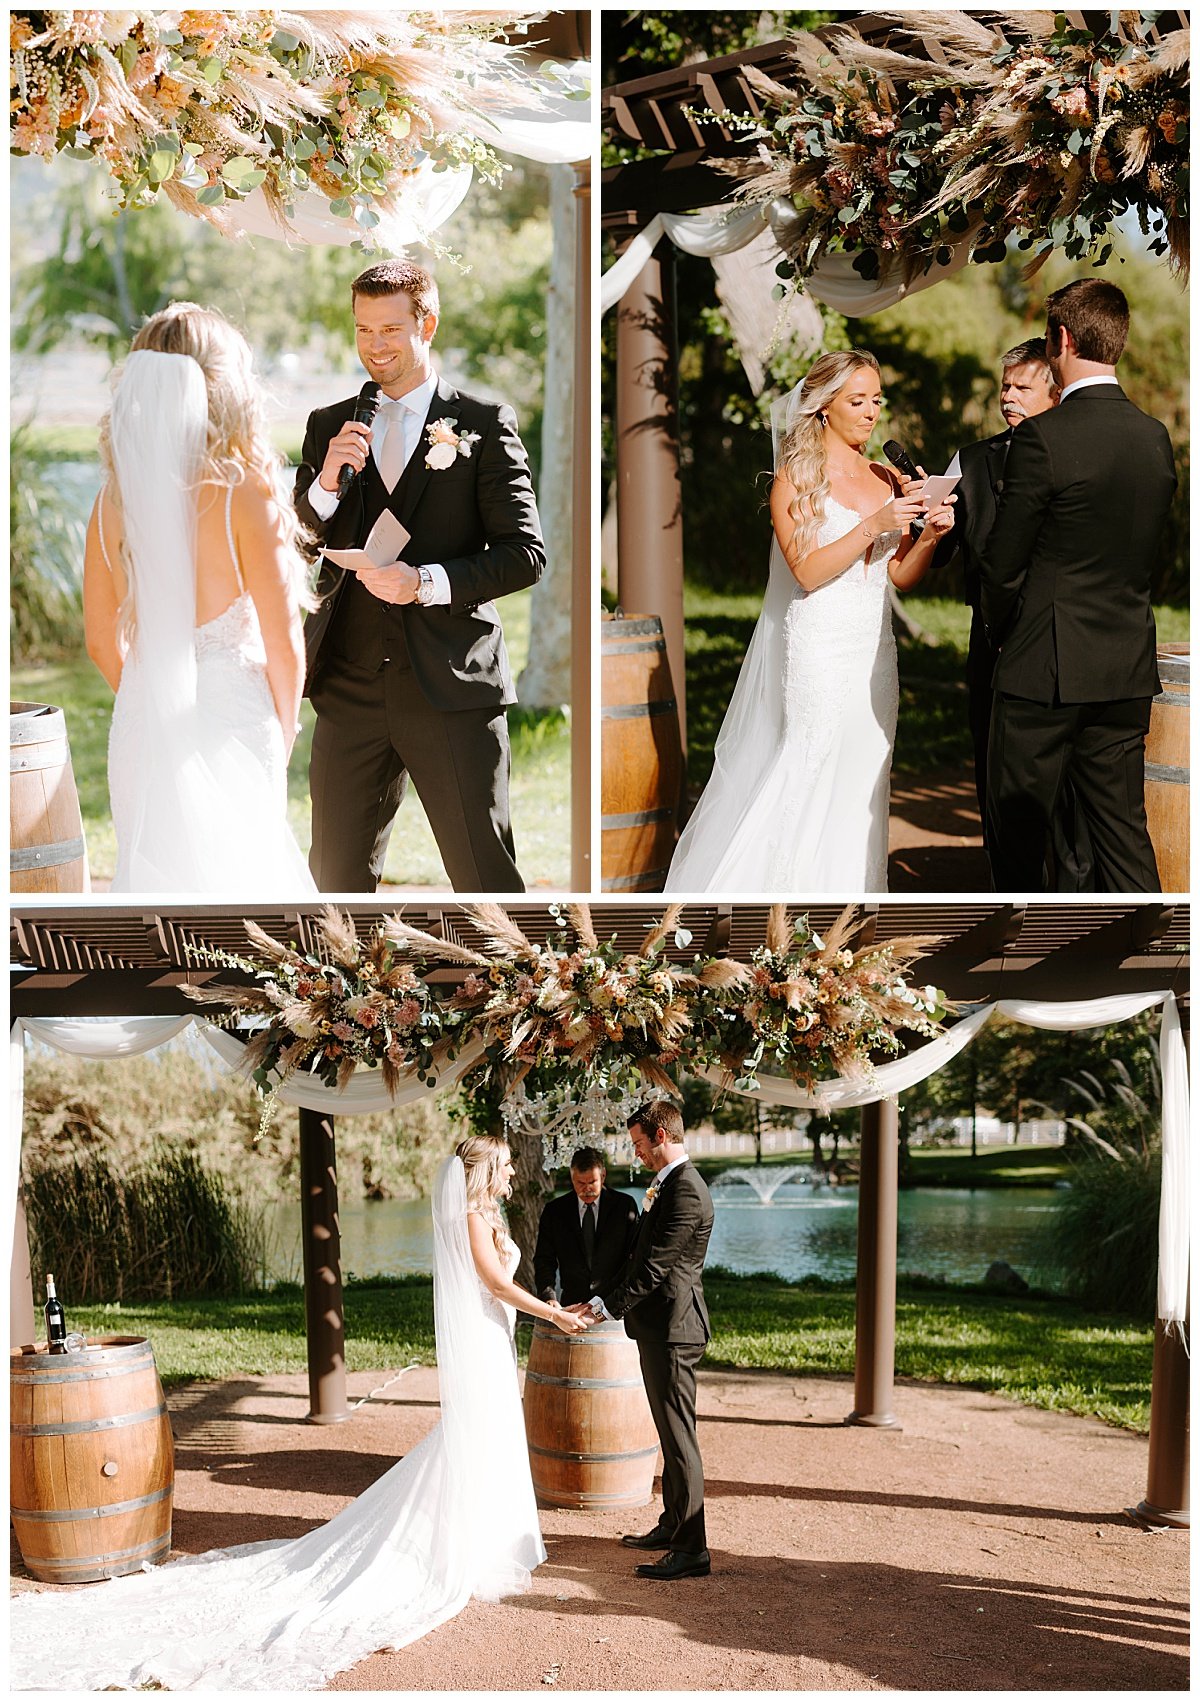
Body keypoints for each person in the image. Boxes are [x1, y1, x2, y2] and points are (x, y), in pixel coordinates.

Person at [9, 1136, 587, 1691]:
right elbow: (493, 1282)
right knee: (475, 1441)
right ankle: (465, 1549)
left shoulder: (487, 1217)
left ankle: (479, 1538)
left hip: (491, 1340)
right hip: (488, 1343)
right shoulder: (473, 1220)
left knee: (481, 1442)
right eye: (507, 1165)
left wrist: (545, 1308)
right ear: (486, 1172)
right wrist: (551, 1314)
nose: (514, 1173)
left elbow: (497, 1286)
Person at [664, 349, 956, 894]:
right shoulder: (794, 480)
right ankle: (772, 903)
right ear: (824, 407)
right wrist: (875, 523)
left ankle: (846, 907)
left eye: (876, 399)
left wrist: (930, 535)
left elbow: (900, 578)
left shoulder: (886, 476)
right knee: (809, 764)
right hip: (819, 644)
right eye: (857, 400)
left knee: (865, 774)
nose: (871, 412)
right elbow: (806, 571)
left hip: (874, 652)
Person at [295, 259, 545, 893]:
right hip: (348, 690)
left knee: (484, 876)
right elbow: (298, 541)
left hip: (451, 690)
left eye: (390, 330)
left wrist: (425, 581)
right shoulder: (329, 425)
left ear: (426, 323)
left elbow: (525, 553)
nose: (375, 347)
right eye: (363, 330)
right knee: (333, 881)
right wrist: (326, 485)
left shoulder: (483, 426)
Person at [83, 302, 316, 894]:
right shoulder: (247, 491)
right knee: (245, 904)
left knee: (155, 899)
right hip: (233, 715)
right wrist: (282, 733)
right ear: (225, 386)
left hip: (140, 721)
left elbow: (98, 641)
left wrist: (153, 697)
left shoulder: (112, 499)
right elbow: (285, 644)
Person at [980, 279, 1177, 892]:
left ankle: (1014, 968)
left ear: (1061, 339)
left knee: (1019, 840)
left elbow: (1002, 565)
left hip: (1043, 671)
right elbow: (1160, 557)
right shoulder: (1154, 439)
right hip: (1123, 669)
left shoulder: (1044, 437)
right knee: (1122, 834)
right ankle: (1157, 970)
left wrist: (1002, 633)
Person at [933, 340, 1091, 888]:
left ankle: (1074, 898)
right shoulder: (971, 460)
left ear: (1055, 392)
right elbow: (937, 553)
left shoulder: (1080, 457)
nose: (1008, 396)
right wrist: (929, 522)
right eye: (1004, 386)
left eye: (1022, 386)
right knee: (994, 774)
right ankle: (1009, 891)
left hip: (1061, 644)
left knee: (1069, 787)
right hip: (990, 644)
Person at [575, 1101, 716, 1582]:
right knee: (668, 1432)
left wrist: (603, 1310)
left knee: (680, 1441)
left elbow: (656, 1269)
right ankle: (673, 1524)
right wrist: (596, 1300)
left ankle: (692, 1550)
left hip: (675, 1330)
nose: (636, 1155)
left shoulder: (687, 1191)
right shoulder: (668, 1185)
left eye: (639, 1144)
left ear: (660, 1135)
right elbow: (637, 1261)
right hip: (658, 1328)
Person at [534, 1145, 639, 1307]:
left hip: (615, 1302)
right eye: (580, 1183)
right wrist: (548, 1295)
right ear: (571, 1177)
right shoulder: (554, 1211)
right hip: (572, 1303)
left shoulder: (625, 1206)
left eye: (592, 1182)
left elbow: (635, 1256)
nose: (587, 1189)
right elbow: (544, 1259)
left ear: (603, 1176)